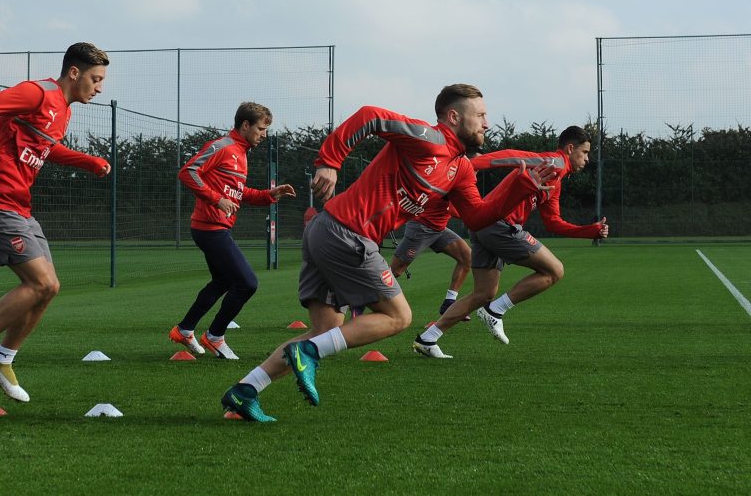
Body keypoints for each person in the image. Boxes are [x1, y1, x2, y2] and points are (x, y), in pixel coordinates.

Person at [220, 85, 556, 422]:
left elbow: (477, 217)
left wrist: (521, 186)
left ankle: (245, 391)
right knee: (399, 317)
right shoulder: (429, 138)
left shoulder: (462, 169)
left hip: (329, 231)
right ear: (454, 117)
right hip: (347, 233)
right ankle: (306, 353)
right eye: (481, 115)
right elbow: (370, 116)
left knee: (326, 330)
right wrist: (329, 162)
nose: (487, 123)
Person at [0, 42, 111, 401]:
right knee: (39, 282)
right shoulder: (36, 92)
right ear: (74, 73)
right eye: (95, 79)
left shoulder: (63, 111)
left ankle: (4, 359)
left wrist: (88, 161)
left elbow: (48, 148)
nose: (99, 87)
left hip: (19, 207)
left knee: (50, 287)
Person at [412, 125, 608, 358]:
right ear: (570, 148)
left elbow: (553, 222)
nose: (587, 159)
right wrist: (466, 166)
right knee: (555, 270)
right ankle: (495, 311)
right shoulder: (554, 162)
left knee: (483, 293)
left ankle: (428, 338)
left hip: (485, 227)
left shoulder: (557, 181)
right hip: (499, 226)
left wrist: (589, 231)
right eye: (584, 153)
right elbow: (508, 156)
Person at [169, 102, 296, 360]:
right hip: (210, 228)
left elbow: (239, 193)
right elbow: (187, 172)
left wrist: (268, 195)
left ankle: (184, 329)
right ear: (245, 125)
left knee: (223, 281)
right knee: (247, 283)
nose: (264, 135)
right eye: (261, 129)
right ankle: (215, 336)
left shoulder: (241, 152)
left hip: (216, 228)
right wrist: (215, 199)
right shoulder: (223, 147)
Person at [390, 216, 472, 321]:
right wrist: (471, 216)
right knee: (395, 272)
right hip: (422, 227)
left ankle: (449, 303)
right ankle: (367, 294)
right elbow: (452, 208)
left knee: (466, 258)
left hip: (439, 228)